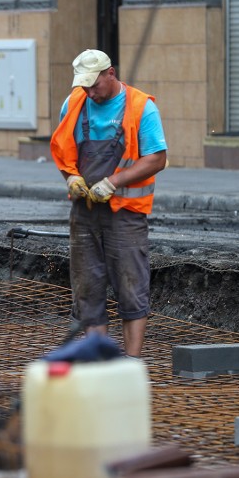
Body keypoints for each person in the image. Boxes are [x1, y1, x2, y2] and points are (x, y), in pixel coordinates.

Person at [50, 49, 167, 358]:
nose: (89, 92)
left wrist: (114, 182)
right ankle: (99, 361)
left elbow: (157, 158)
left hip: (125, 215)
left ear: (110, 73)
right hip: (84, 214)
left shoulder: (141, 107)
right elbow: (64, 152)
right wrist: (71, 178)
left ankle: (131, 363)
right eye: (84, 86)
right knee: (88, 289)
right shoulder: (74, 104)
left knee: (131, 286)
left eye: (95, 85)